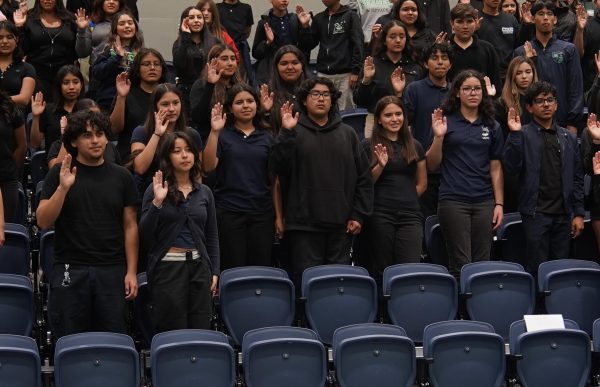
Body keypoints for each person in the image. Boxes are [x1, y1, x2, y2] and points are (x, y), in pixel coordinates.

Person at [36, 109, 139, 338]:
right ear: (74, 140)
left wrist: (131, 271)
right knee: (71, 339)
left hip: (112, 268)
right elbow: (43, 221)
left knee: (113, 340)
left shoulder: (122, 177)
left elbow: (130, 226)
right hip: (70, 267)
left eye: (100, 134)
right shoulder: (58, 174)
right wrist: (63, 188)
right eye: (87, 135)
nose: (95, 141)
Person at [269, 77, 373, 285]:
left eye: (326, 95)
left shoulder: (348, 134)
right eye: (315, 94)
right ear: (304, 100)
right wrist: (286, 132)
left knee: (336, 285)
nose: (321, 99)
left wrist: (358, 215)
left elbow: (364, 178)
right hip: (303, 226)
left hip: (341, 226)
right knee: (308, 285)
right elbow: (277, 168)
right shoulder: (293, 131)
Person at [426, 70, 504, 277]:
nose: (473, 93)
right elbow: (431, 165)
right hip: (453, 200)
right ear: (457, 93)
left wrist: (499, 204)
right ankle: (460, 309)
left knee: (483, 263)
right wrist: (439, 138)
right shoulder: (444, 122)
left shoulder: (492, 125)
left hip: (484, 200)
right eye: (467, 89)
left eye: (477, 88)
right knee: (460, 263)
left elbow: (495, 167)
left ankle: (479, 308)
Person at [139, 131, 219, 332]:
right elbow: (144, 235)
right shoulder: (155, 189)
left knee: (201, 329)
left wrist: (215, 271)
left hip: (199, 267)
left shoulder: (204, 192)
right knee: (173, 331)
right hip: (168, 270)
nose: (185, 155)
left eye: (189, 150)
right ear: (167, 157)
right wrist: (157, 202)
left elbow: (212, 236)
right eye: (177, 151)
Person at [503, 81, 584, 274]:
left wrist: (579, 212)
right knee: (536, 269)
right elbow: (510, 167)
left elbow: (577, 177)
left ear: (556, 105)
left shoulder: (568, 137)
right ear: (530, 107)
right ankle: (538, 304)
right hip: (535, 213)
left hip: (563, 214)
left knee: (561, 270)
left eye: (550, 100)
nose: (546, 105)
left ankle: (558, 305)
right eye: (540, 101)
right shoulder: (521, 134)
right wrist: (514, 134)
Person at [204, 84, 277, 270]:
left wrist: (279, 217)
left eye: (250, 101)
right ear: (230, 108)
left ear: (257, 105)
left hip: (262, 213)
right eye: (239, 102)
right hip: (229, 212)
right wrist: (214, 132)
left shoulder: (267, 136)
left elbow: (274, 180)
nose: (245, 106)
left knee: (261, 269)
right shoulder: (223, 135)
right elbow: (208, 166)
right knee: (234, 268)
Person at [363, 95, 426, 284]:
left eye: (398, 114)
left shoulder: (415, 145)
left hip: (410, 215)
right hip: (380, 214)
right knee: (383, 268)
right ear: (379, 120)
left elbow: (422, 183)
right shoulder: (368, 145)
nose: (394, 119)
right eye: (388, 115)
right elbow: (365, 184)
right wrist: (380, 166)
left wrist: (407, 199)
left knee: (410, 268)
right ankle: (383, 312)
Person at [514, 0, 584, 134]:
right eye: (540, 14)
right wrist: (529, 62)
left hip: (562, 121)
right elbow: (516, 91)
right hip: (530, 123)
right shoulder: (521, 52)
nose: (545, 17)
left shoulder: (568, 50)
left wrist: (573, 122)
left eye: (549, 14)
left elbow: (576, 87)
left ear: (555, 19)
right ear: (533, 19)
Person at [403, 41, 453, 217]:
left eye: (444, 58)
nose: (440, 62)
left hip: (453, 168)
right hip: (424, 168)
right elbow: (405, 127)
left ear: (450, 64)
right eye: (434, 58)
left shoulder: (457, 91)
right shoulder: (414, 89)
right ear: (425, 63)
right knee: (426, 221)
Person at [131, 83, 203, 197]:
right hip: (152, 196)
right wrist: (157, 134)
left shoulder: (191, 134)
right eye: (165, 104)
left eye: (176, 103)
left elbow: (196, 174)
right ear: (155, 107)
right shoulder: (142, 132)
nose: (171, 109)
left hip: (185, 198)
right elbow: (139, 168)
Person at [354, 20, 424, 136]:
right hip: (376, 122)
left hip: (405, 123)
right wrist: (366, 80)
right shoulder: (372, 64)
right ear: (384, 40)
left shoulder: (414, 67)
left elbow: (418, 102)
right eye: (392, 36)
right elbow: (359, 100)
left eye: (402, 37)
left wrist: (399, 94)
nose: (398, 40)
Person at [13, 0, 91, 102]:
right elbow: (21, 51)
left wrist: (81, 30)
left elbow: (83, 53)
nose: (47, 0)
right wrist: (19, 28)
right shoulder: (29, 18)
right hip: (37, 76)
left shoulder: (71, 19)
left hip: (66, 78)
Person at [296, 0, 364, 111]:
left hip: (345, 75)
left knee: (345, 113)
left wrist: (356, 71)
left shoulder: (350, 15)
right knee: (323, 111)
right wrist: (305, 26)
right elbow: (308, 45)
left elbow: (358, 43)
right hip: (323, 75)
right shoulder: (319, 18)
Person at [110, 47, 167, 161]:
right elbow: (114, 128)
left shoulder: (169, 94)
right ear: (137, 69)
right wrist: (121, 97)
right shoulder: (127, 93)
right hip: (130, 155)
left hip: (164, 154)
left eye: (156, 64)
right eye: (146, 64)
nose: (152, 68)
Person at [46, 98, 121, 168]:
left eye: (98, 116)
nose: (94, 121)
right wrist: (66, 135)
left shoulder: (110, 147)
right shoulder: (57, 146)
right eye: (88, 116)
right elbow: (55, 172)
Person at [91, 10, 143, 111]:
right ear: (115, 29)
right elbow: (96, 72)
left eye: (130, 23)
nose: (127, 26)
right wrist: (117, 57)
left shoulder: (141, 52)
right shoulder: (108, 50)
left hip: (133, 102)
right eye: (122, 24)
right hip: (109, 101)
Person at [173, 5, 217, 121]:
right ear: (184, 22)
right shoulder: (179, 43)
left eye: (199, 17)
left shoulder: (214, 42)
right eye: (191, 18)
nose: (196, 21)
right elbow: (179, 64)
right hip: (187, 92)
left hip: (210, 90)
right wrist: (185, 35)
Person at [190, 43, 242, 141]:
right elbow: (197, 118)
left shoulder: (240, 87)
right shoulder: (201, 85)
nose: (230, 63)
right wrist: (210, 85)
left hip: (236, 138)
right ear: (213, 62)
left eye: (233, 58)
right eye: (224, 59)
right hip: (210, 138)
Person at [251, 0, 308, 86]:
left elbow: (307, 45)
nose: (284, 1)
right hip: (271, 74)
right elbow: (256, 53)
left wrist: (305, 26)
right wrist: (268, 42)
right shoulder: (264, 23)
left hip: (293, 72)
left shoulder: (295, 19)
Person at [30, 65, 84, 152]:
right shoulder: (48, 110)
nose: (71, 87)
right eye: (66, 83)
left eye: (75, 82)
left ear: (81, 85)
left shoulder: (87, 109)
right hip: (53, 161)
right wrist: (36, 117)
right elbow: (35, 143)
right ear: (59, 86)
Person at [448, 3, 501, 91]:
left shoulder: (487, 49)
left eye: (469, 21)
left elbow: (496, 84)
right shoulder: (446, 49)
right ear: (452, 24)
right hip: (451, 102)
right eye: (460, 22)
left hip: (483, 102)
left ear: (476, 22)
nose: (465, 26)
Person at [263, 45, 308, 133]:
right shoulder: (267, 93)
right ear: (276, 68)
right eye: (284, 63)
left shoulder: (313, 90)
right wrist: (265, 111)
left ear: (302, 66)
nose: (290, 67)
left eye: (295, 63)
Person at [475, 0, 520, 80]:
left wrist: (528, 26)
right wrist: (473, 30)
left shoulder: (510, 19)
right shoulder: (475, 19)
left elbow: (519, 46)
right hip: (482, 75)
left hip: (508, 75)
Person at [0, 89, 25, 224]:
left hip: (6, 178)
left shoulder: (9, 107)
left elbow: (22, 146)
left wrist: (11, 168)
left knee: (7, 229)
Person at [216, 0, 254, 85]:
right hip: (222, 49)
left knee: (241, 80)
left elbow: (247, 31)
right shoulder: (217, 8)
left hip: (241, 51)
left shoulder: (246, 8)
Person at [0, 20, 35, 111]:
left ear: (17, 40)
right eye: (0, 37)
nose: (4, 41)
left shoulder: (27, 68)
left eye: (9, 37)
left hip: (15, 119)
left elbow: (24, 99)